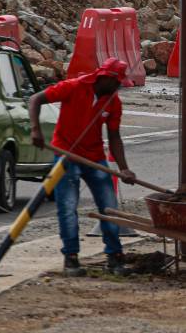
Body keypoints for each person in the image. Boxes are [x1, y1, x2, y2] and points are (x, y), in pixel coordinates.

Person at [29, 57, 133, 277]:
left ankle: (114, 257)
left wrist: (124, 169)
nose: (118, 88)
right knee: (67, 208)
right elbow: (36, 99)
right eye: (117, 83)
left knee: (109, 208)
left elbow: (114, 136)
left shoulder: (112, 101)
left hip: (94, 158)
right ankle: (71, 259)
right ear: (106, 78)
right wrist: (35, 130)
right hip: (66, 155)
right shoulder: (73, 87)